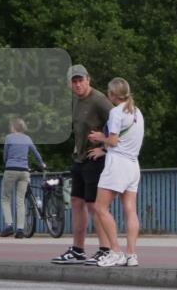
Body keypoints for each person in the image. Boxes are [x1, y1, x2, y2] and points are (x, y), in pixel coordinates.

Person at [51, 65, 114, 265]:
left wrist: (104, 146)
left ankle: (105, 249)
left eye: (81, 80)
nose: (78, 84)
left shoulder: (99, 100)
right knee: (77, 202)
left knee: (95, 205)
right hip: (80, 158)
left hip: (95, 159)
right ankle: (78, 249)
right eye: (74, 81)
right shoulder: (76, 101)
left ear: (88, 79)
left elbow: (121, 125)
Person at [87, 78, 144, 267]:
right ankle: (131, 254)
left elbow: (112, 141)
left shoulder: (116, 112)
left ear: (112, 95)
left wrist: (99, 137)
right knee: (130, 210)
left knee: (100, 207)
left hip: (117, 164)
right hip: (133, 165)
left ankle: (115, 251)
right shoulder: (137, 112)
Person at [0, 118, 46, 238]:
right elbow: (36, 153)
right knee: (20, 200)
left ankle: (9, 225)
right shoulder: (27, 138)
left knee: (5, 198)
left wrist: (6, 163)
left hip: (11, 169)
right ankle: (20, 230)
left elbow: (5, 154)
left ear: (14, 127)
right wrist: (42, 163)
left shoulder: (9, 138)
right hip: (24, 171)